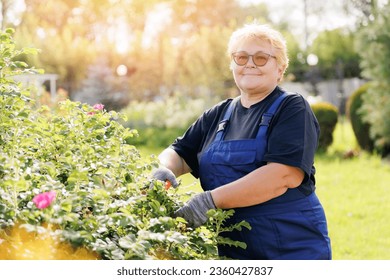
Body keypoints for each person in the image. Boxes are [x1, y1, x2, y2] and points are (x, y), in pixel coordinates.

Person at [152, 23, 332, 260]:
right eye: (241, 57)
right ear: (232, 65)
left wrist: (209, 201)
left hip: (290, 245)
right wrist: (164, 168)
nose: (249, 63)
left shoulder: (292, 108)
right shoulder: (219, 114)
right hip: (234, 250)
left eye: (260, 58)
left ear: (280, 68)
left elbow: (282, 175)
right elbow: (179, 152)